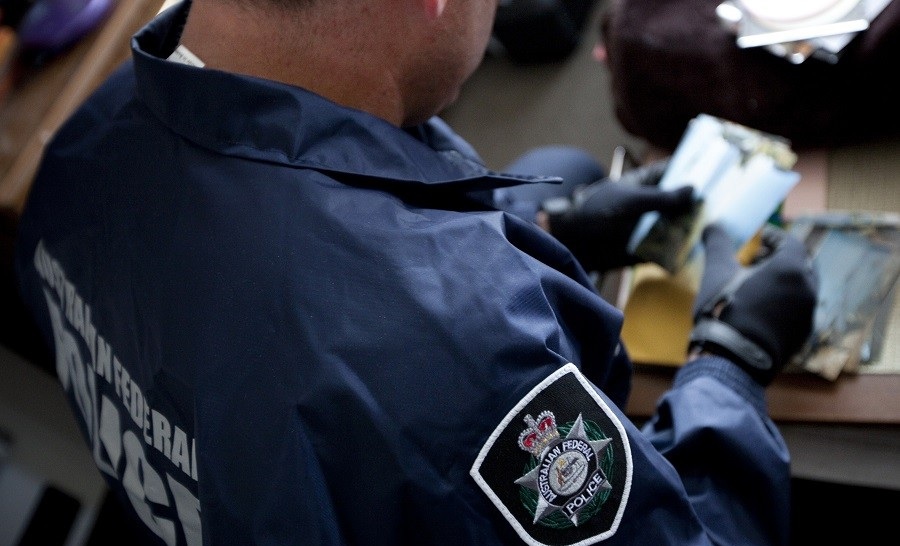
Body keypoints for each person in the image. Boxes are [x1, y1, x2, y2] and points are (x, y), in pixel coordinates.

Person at [13, 0, 818, 545]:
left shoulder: (84, 141)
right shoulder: (461, 358)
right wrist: (731, 362)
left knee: (558, 167)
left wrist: (539, 231)